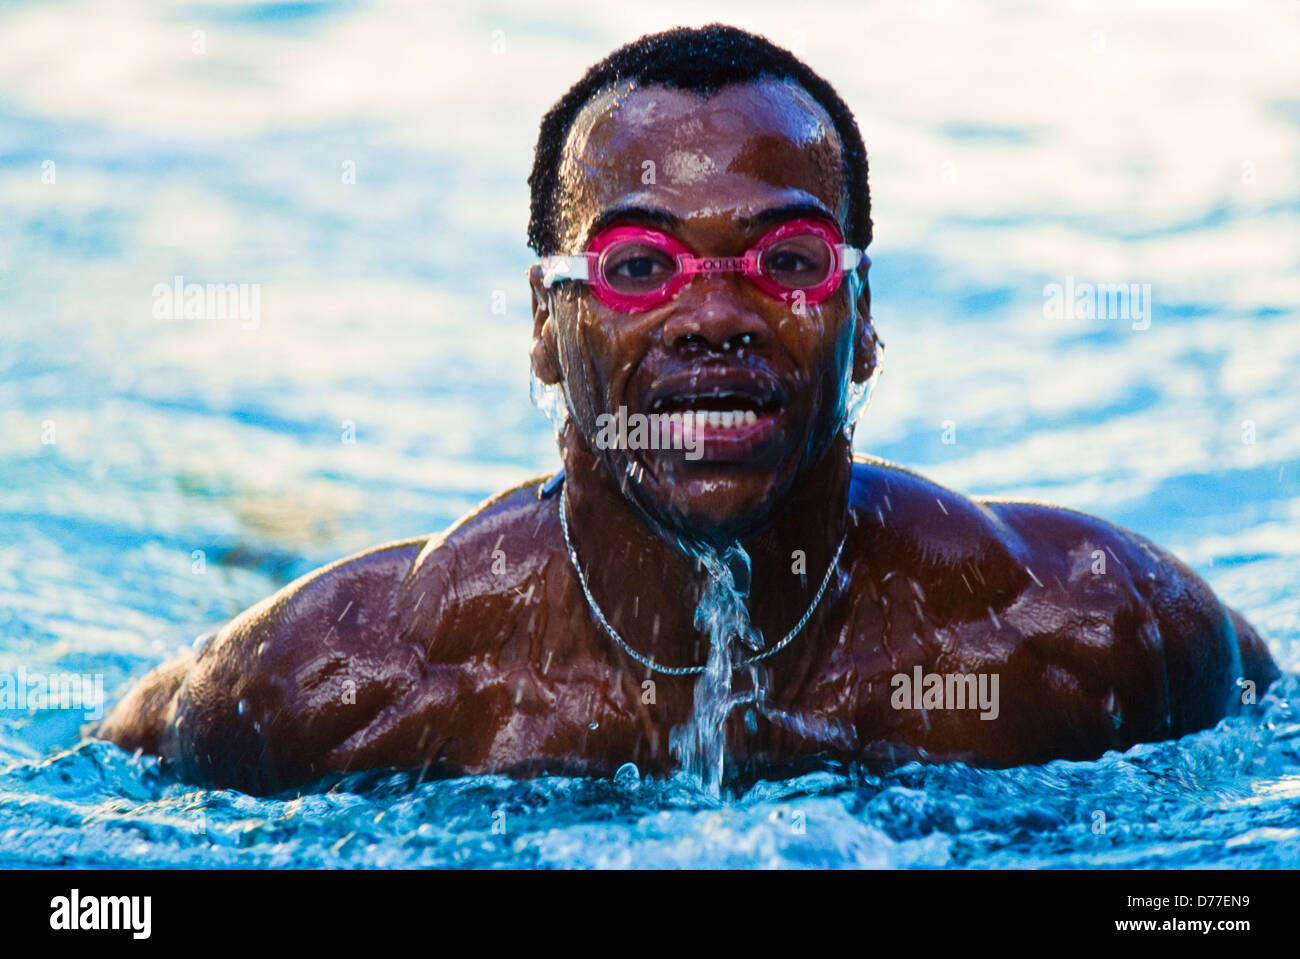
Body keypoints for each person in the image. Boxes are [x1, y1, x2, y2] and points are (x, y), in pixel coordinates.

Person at [97, 24, 1278, 795]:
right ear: (543, 327)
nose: (714, 313)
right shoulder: (347, 677)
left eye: (789, 259)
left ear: (863, 314)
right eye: (637, 267)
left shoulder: (1073, 627)